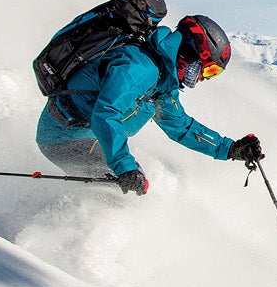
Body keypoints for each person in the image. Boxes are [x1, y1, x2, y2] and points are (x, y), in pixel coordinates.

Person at [35, 12, 264, 195]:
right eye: (209, 69)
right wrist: (125, 166)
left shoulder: (163, 82)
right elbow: (106, 114)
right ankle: (54, 240)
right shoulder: (139, 68)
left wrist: (231, 149)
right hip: (63, 137)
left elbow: (181, 127)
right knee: (117, 196)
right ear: (192, 54)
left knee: (124, 190)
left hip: (88, 136)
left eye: (213, 74)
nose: (205, 78)